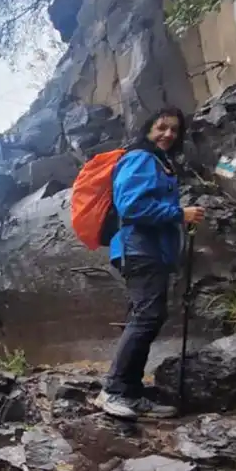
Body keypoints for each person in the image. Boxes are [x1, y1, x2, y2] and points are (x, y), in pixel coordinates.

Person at [95, 107, 205, 419]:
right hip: (138, 249)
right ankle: (114, 391)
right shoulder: (141, 157)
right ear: (148, 129)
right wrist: (179, 214)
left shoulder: (159, 162)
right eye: (161, 127)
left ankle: (130, 392)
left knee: (147, 317)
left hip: (149, 250)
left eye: (174, 130)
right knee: (147, 317)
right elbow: (131, 207)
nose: (168, 134)